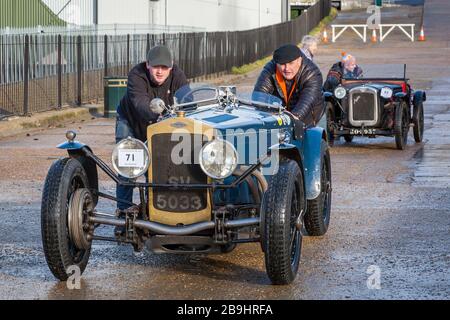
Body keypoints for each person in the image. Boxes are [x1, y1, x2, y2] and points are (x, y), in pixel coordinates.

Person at [115, 45, 188, 220]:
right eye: (156, 67)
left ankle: (155, 209)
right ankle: (124, 212)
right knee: (128, 165)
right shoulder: (136, 75)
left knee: (159, 164)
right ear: (148, 65)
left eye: (164, 68)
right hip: (132, 122)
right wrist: (162, 116)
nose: (160, 72)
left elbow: (188, 102)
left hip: (161, 126)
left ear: (171, 67)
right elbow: (140, 103)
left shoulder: (178, 76)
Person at [253, 44, 324, 127]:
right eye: (282, 64)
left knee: (306, 135)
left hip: (307, 114)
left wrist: (294, 117)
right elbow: (260, 94)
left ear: (299, 60)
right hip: (279, 112)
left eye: (291, 63)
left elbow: (307, 100)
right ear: (276, 63)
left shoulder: (312, 73)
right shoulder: (270, 69)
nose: (287, 69)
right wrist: (263, 116)